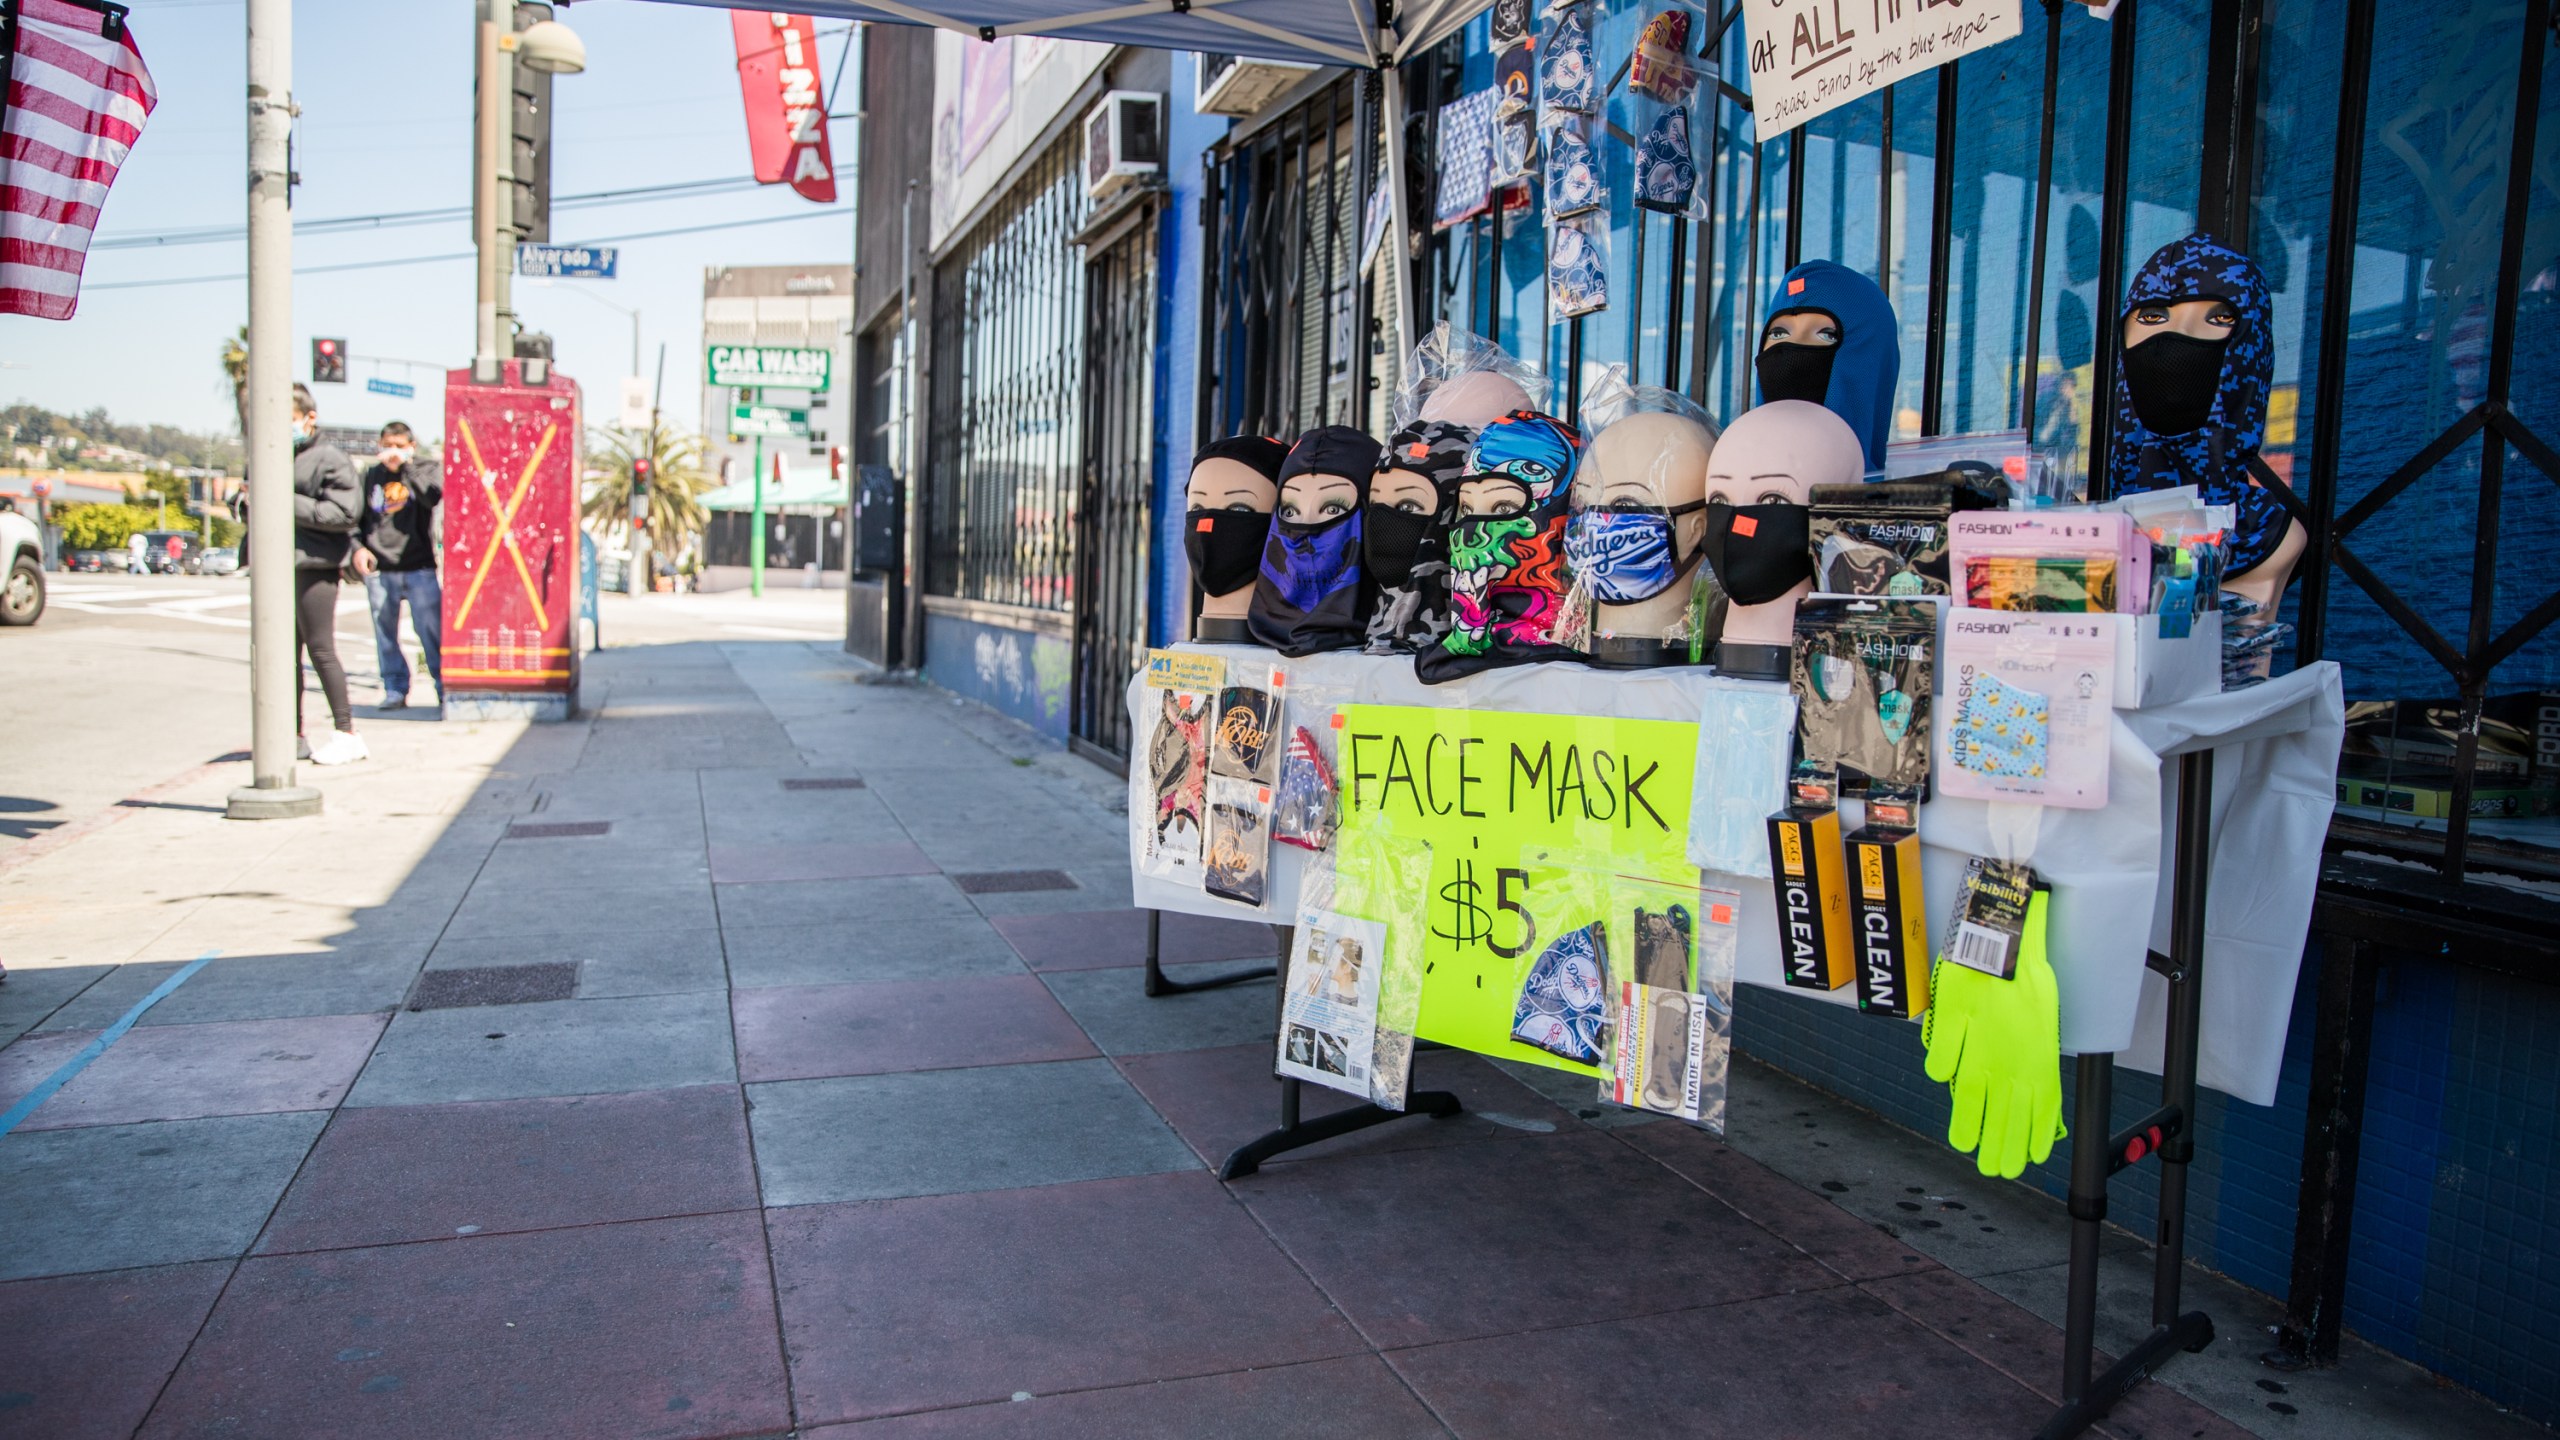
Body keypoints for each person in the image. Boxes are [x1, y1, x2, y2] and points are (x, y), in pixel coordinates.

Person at [291, 384, 367, 765]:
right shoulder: (272, 453)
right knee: (282, 657)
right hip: (277, 565)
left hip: (315, 565)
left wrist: (280, 498)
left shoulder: (329, 458)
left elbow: (344, 513)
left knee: (321, 649)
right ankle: (291, 733)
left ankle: (346, 731)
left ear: (309, 417)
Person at [353, 420, 443, 709]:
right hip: (381, 567)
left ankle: (443, 686)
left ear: (411, 447)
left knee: (431, 631)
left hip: (419, 565)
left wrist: (406, 468)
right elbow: (357, 517)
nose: (392, 452)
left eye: (399, 447)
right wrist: (359, 548)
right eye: (387, 446)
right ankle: (395, 687)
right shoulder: (371, 476)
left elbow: (432, 497)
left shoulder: (424, 469)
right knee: (385, 634)